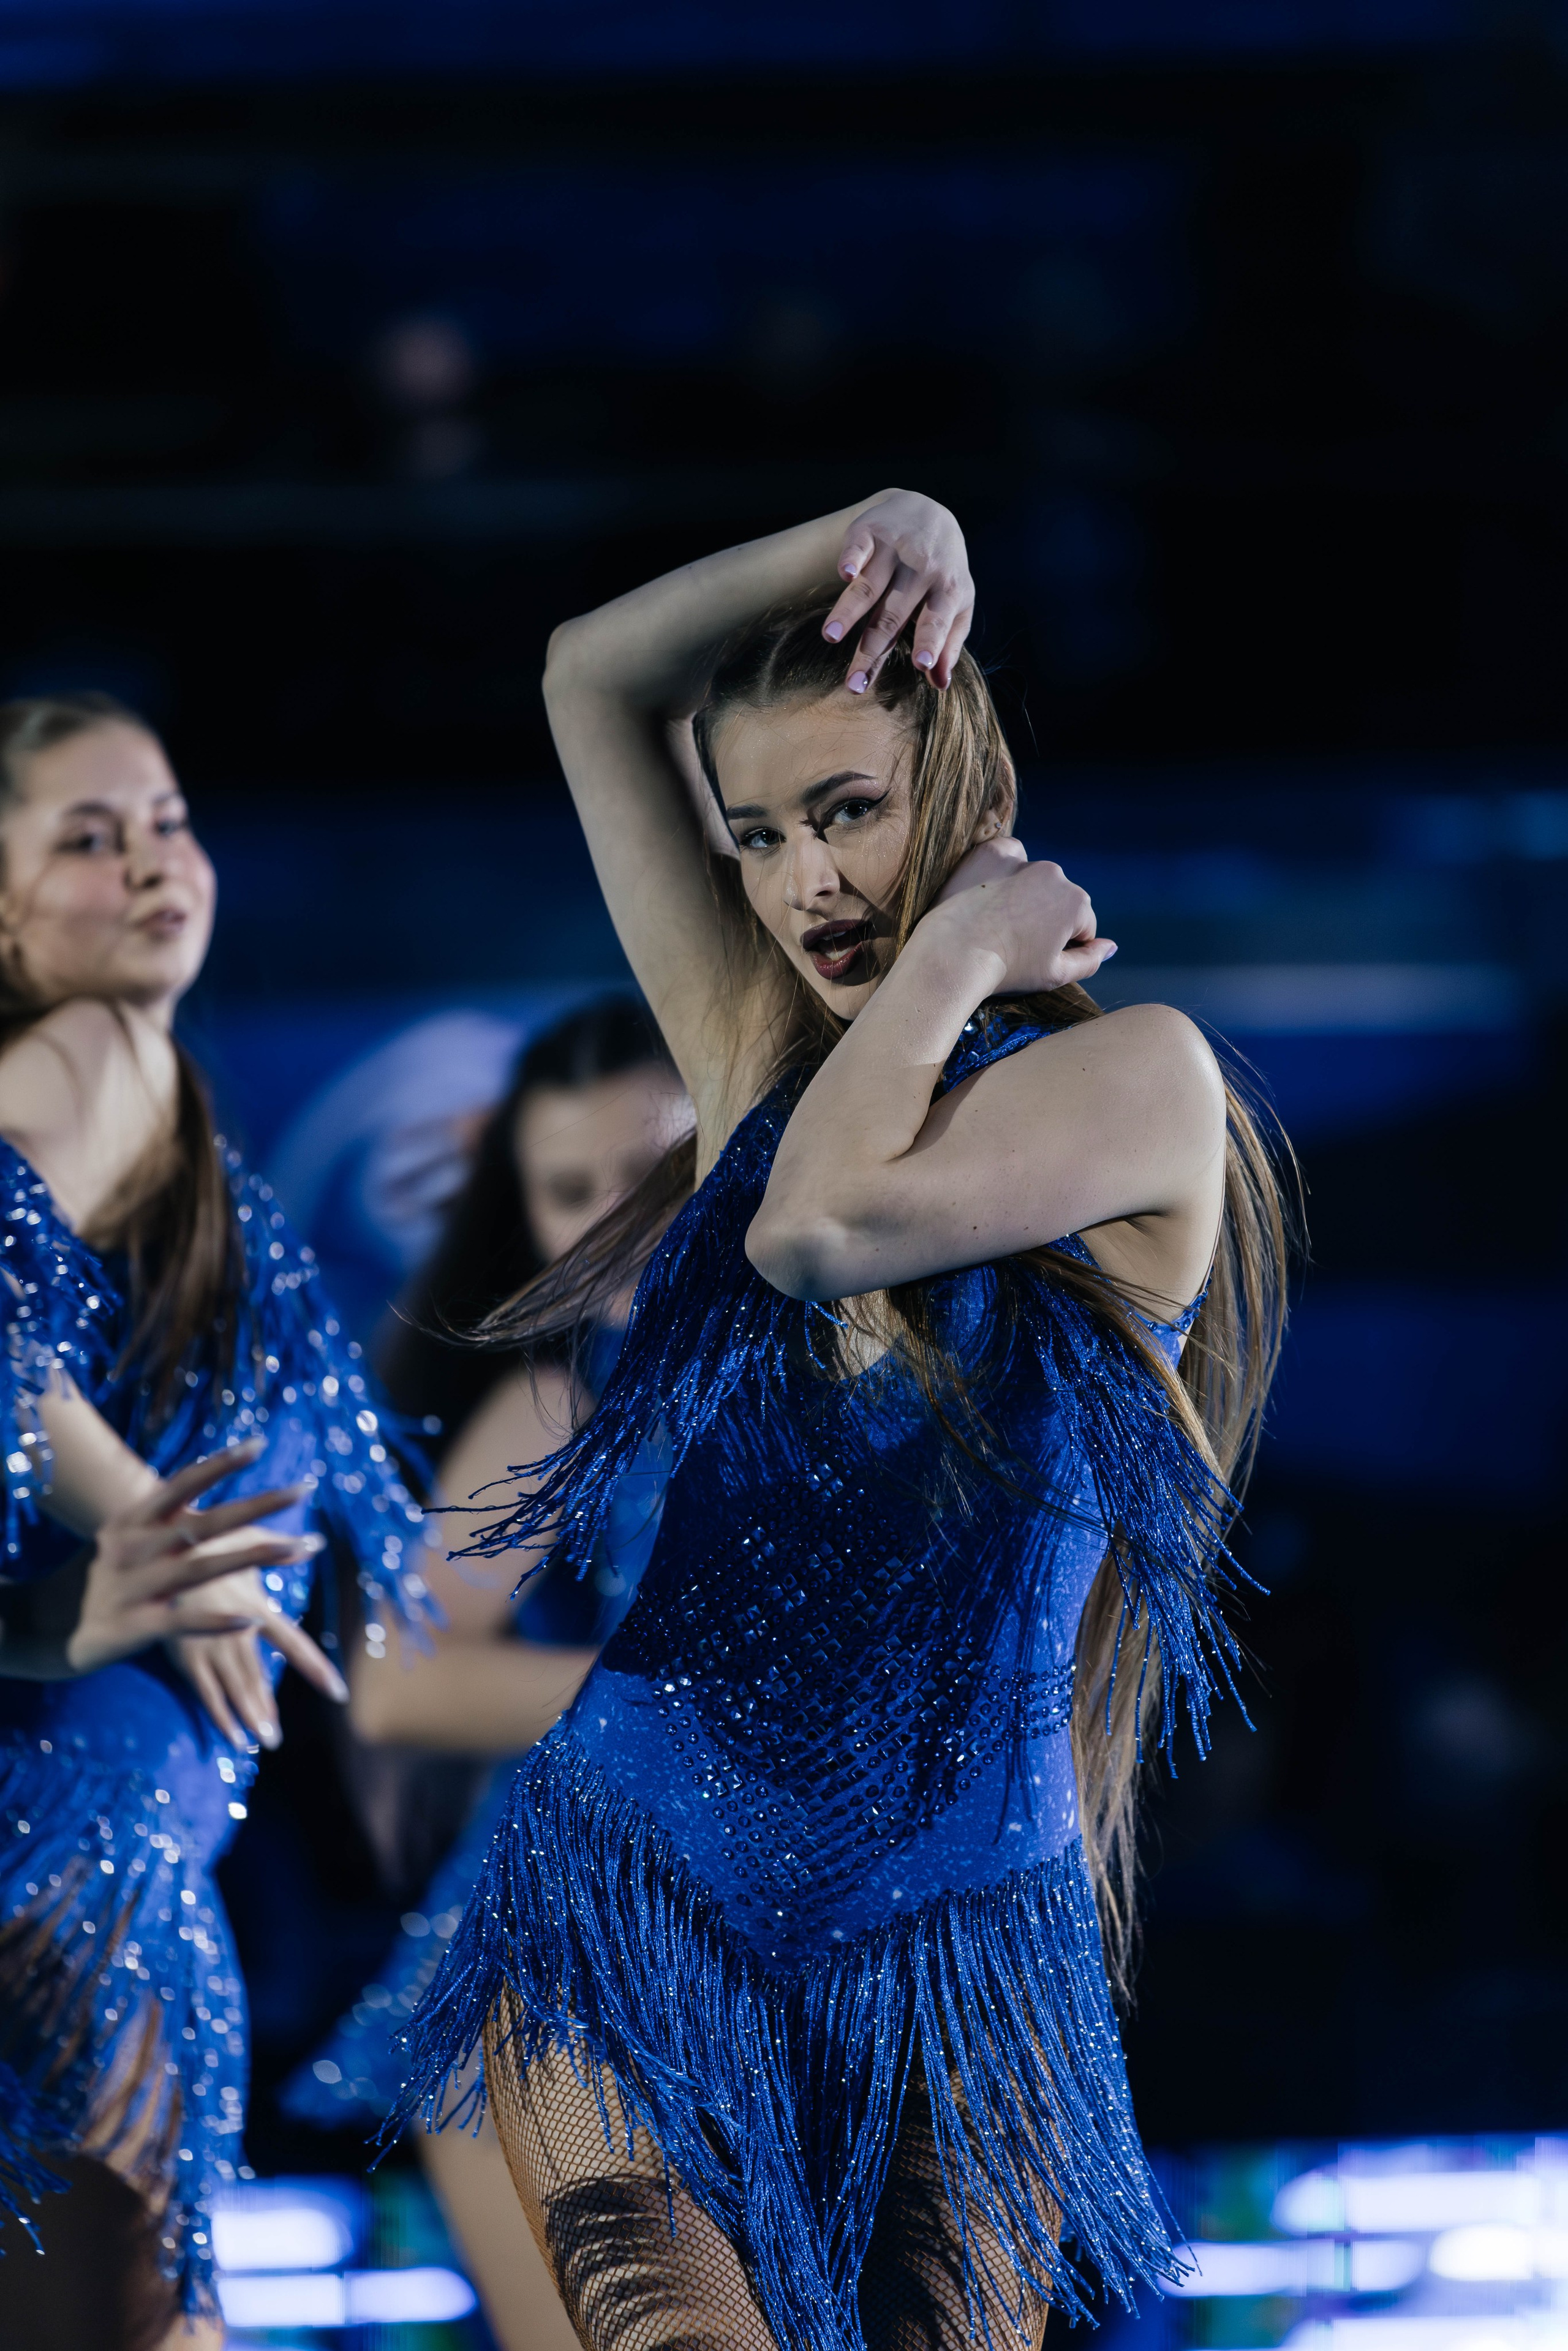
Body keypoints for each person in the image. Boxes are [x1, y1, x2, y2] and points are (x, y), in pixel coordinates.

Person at [395, 491, 1294, 2351]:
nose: (805, 881)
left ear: (964, 800)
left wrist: (964, 958)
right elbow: (591, 670)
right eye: (759, 836)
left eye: (851, 812)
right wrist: (878, 534)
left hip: (966, 1948)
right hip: (635, 1899)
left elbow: (823, 1224)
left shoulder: (1138, 1083)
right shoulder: (760, 1082)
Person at [0, 694, 429, 2351]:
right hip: (82, 1853)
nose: (149, 861)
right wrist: (188, 1556)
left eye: (166, 817)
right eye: (85, 837)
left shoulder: (169, 1107)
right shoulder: (85, 1054)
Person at [284, 997, 687, 2351]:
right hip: (561, 1957)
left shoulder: (837, 1365)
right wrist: (681, 1698)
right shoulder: (562, 1396)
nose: (614, 1218)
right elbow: (400, 1680)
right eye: (571, 1188)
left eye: (656, 1173)